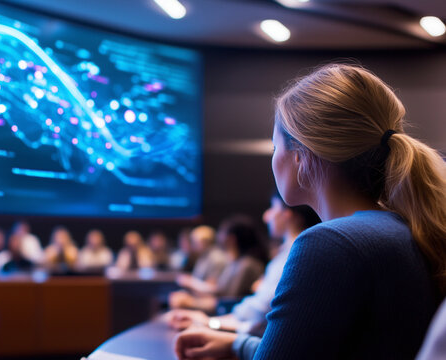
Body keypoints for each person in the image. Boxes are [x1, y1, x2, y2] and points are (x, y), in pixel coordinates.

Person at [175, 64, 445, 360]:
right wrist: (238, 345)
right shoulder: (402, 228)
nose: (274, 158)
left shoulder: (331, 243)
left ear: (301, 156)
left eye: (275, 145)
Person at [167, 192, 319, 335]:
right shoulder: (285, 255)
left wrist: (208, 321)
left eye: (273, 207)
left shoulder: (293, 256)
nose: (266, 216)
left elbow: (258, 317)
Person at [169, 216, 267, 313]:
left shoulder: (246, 265)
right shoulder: (236, 263)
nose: (218, 236)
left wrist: (192, 303)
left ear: (231, 239)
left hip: (230, 320)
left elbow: (228, 303)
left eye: (222, 232)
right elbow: (220, 293)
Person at [175, 225, 227, 292]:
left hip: (209, 299)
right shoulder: (203, 256)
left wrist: (190, 282)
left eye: (195, 242)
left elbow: (211, 288)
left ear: (204, 242)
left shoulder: (216, 258)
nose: (193, 245)